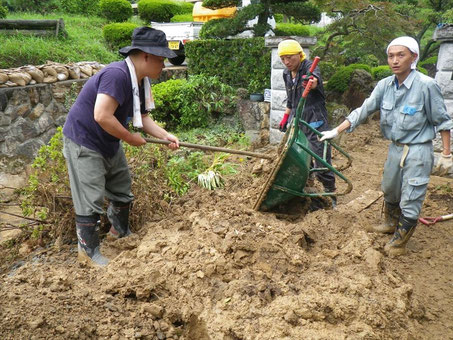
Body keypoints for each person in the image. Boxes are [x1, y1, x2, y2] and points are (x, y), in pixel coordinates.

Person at [320, 36, 453, 256]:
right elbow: (364, 109)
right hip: (396, 147)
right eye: (391, 56)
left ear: (414, 57)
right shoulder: (385, 85)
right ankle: (390, 223)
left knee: (411, 195)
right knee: (390, 189)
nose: (395, 61)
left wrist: (446, 153)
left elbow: (443, 120)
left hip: (418, 150)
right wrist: (336, 130)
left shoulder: (426, 86)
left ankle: (399, 243)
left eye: (401, 55)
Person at [62, 27, 180, 266]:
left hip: (108, 141)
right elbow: (102, 115)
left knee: (122, 189)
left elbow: (144, 118)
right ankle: (88, 253)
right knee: (90, 198)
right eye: (161, 60)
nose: (163, 66)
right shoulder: (117, 75)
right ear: (146, 56)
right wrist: (129, 138)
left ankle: (119, 234)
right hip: (85, 141)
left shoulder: (139, 81)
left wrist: (166, 135)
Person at [278, 39, 337, 206]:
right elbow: (291, 98)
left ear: (299, 54)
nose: (287, 62)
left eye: (290, 58)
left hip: (315, 120)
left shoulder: (309, 66)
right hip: (298, 119)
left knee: (321, 158)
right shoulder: (286, 73)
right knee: (302, 157)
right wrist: (286, 116)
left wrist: (311, 82)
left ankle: (330, 193)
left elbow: (315, 78)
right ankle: (308, 189)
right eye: (283, 59)